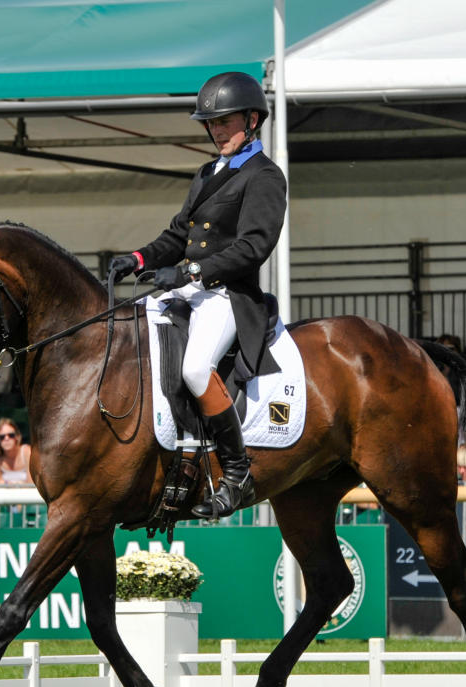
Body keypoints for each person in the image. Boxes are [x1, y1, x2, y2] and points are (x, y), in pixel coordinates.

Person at [104, 72, 285, 520]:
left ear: (252, 118)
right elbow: (177, 234)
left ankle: (237, 472)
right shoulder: (207, 173)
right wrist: (139, 259)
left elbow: (253, 246)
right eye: (211, 123)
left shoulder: (265, 176)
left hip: (228, 295)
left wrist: (190, 270)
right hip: (190, 289)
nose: (216, 130)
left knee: (195, 368)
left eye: (224, 121)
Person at [0, 418, 33, 485]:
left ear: (17, 436)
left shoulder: (27, 452)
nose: (6, 438)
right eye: (2, 437)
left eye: (11, 435)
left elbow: (32, 484)